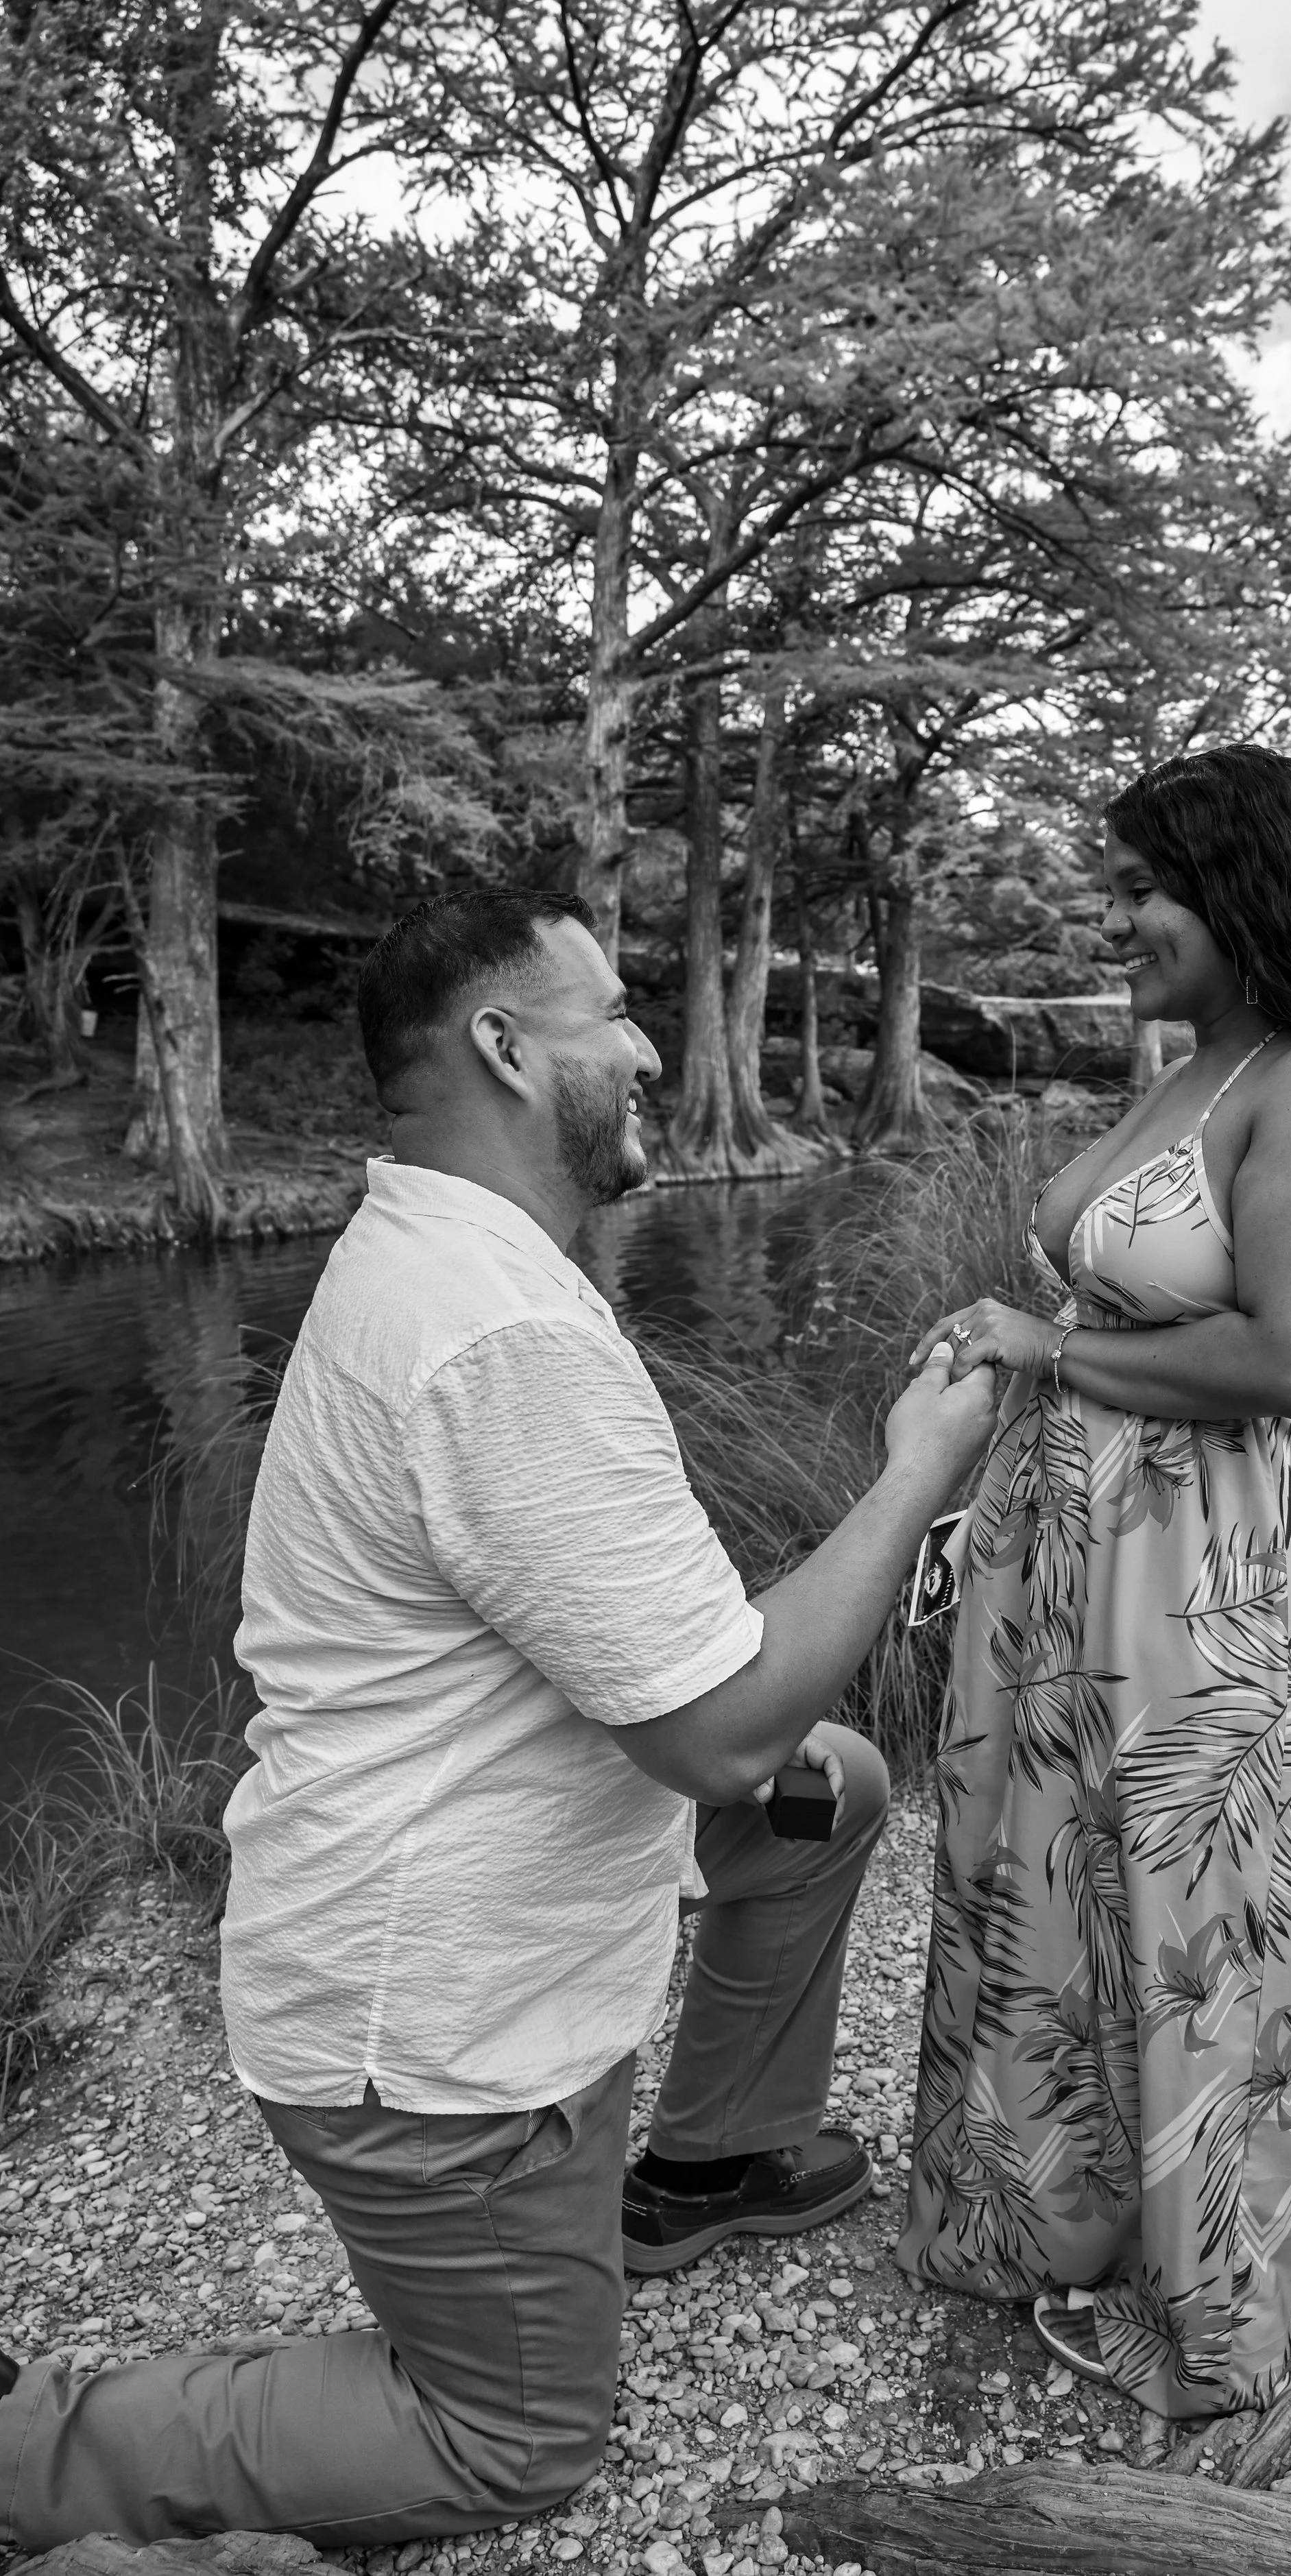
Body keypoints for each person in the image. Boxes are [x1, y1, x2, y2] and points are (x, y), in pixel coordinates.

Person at [0, 887, 996, 2550]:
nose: (644, 1047)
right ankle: (31, 2447)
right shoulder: (502, 1328)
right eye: (612, 1013)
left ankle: (710, 2158)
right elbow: (714, 1739)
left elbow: (664, 1663)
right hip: (427, 2026)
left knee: (833, 1787)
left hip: (435, 1878)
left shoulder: (434, 1249)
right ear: (506, 1048)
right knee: (507, 2441)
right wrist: (915, 1471)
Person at [894, 747, 1291, 2429]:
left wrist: (1039, 1343)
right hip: (1081, 1559)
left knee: (1210, 1926)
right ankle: (1053, 2223)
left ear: (1237, 888)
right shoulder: (1191, 1068)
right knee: (1054, 1889)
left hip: (1224, 1570)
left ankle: (1227, 2315)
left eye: (1142, 886)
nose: (1116, 914)